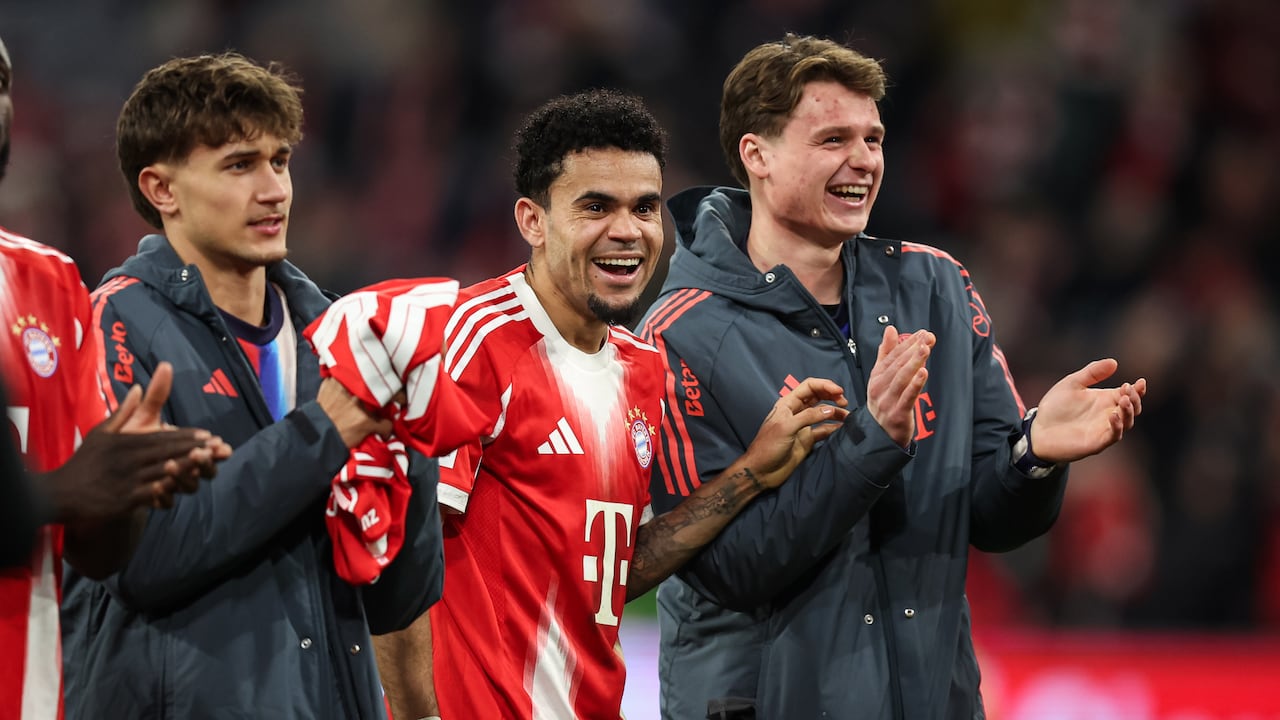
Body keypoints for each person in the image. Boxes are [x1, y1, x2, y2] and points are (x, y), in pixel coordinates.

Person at [638, 33, 1147, 719]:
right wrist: (871, 439)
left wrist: (1034, 456)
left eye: (873, 139)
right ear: (756, 155)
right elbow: (732, 568)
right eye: (832, 140)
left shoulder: (934, 285)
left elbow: (992, 520)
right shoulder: (681, 332)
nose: (863, 161)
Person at [323, 88, 849, 720]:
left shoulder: (642, 368)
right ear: (532, 221)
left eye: (645, 207)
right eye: (595, 206)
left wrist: (749, 476)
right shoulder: (473, 340)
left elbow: (609, 576)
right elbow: (398, 554)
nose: (626, 231)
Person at [58, 52, 445, 719]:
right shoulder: (115, 326)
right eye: (239, 165)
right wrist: (324, 433)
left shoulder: (336, 333)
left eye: (280, 161)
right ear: (162, 189)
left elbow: (393, 599)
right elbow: (142, 563)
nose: (274, 191)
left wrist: (412, 453)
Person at [1, 35, 230, 720]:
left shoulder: (47, 282)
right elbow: (57, 496)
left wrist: (130, 480)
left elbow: (97, 555)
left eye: (1, 80)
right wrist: (61, 490)